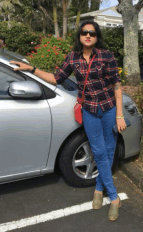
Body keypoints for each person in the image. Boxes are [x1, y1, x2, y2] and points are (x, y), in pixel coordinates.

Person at [10, 20, 127, 221]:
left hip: (108, 110)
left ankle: (99, 189)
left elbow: (116, 85)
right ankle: (114, 197)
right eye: (84, 32)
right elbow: (56, 78)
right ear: (79, 36)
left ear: (97, 36)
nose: (88, 35)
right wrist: (31, 69)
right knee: (98, 152)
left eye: (92, 33)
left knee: (108, 151)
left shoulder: (106, 56)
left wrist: (119, 114)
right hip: (89, 111)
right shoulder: (73, 58)